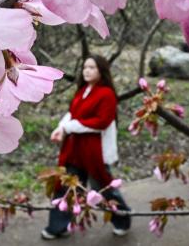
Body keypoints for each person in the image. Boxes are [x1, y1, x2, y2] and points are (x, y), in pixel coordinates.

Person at [42, 55, 131, 240]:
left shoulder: (106, 94)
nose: (87, 71)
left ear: (101, 70)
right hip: (75, 150)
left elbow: (102, 121)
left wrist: (69, 127)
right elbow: (72, 113)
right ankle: (58, 226)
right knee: (67, 187)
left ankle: (122, 219)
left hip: (94, 152)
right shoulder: (83, 90)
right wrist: (60, 128)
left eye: (92, 67)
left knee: (103, 188)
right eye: (85, 67)